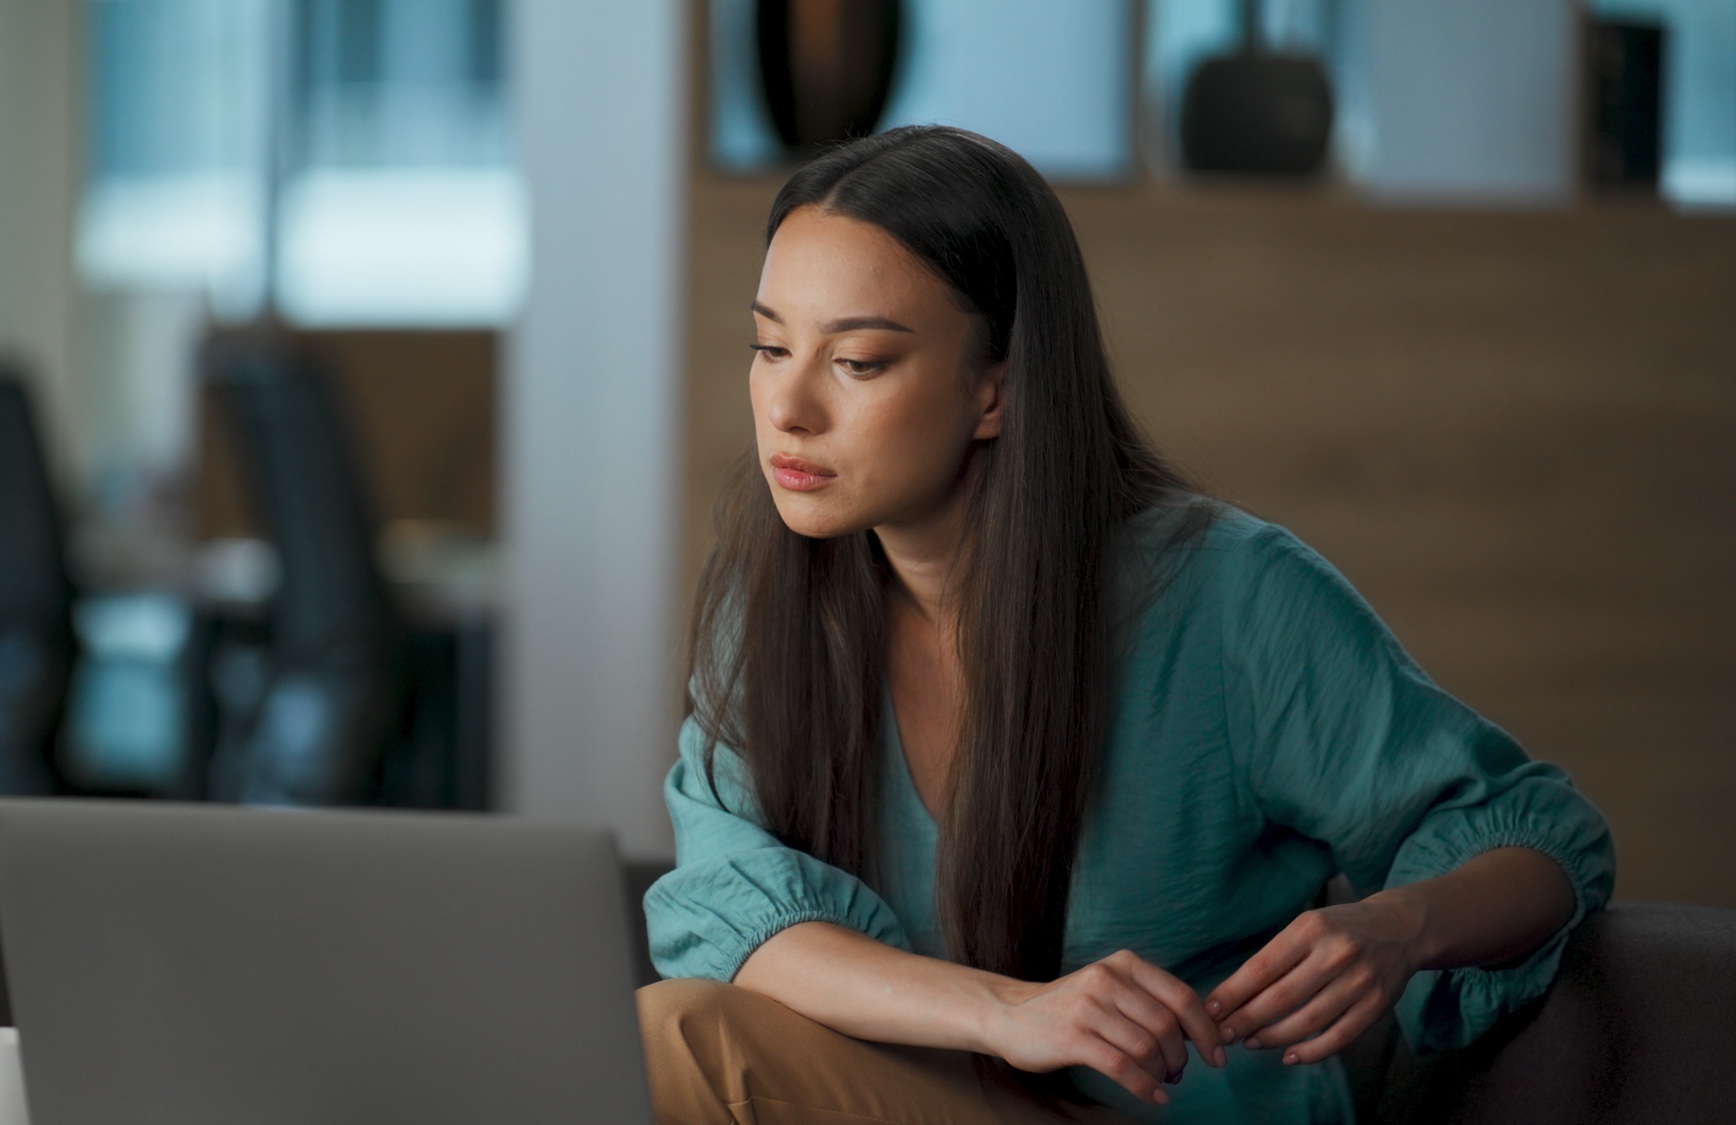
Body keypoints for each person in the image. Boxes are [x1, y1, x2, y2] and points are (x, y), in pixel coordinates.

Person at [635, 126, 1615, 1124]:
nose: (786, 407)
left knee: (677, 1041)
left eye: (855, 361)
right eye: (768, 346)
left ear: (996, 388)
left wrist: (1399, 925)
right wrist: (1009, 1013)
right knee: (677, 1029)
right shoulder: (773, 610)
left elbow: (1536, 836)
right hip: (933, 1097)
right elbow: (737, 912)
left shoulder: (1223, 597)